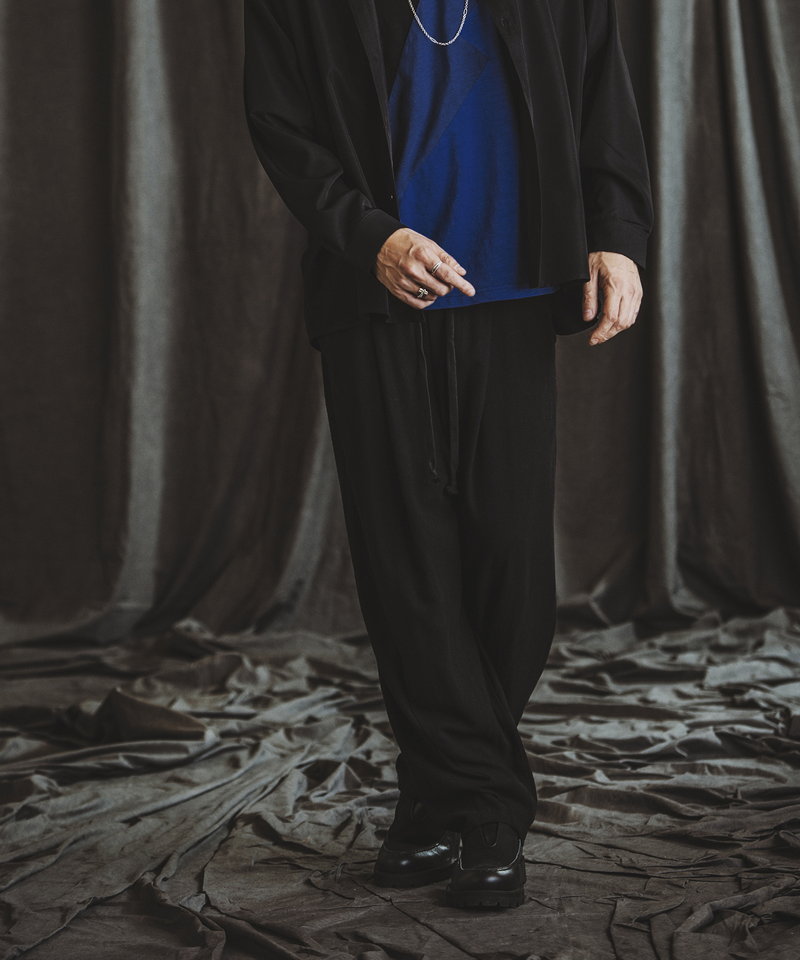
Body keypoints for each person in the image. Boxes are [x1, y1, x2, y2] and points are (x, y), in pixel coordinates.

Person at [243, 0, 653, 910]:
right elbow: (280, 124)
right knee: (405, 566)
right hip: (375, 294)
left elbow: (603, 97)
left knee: (511, 564)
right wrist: (372, 237)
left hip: (516, 288)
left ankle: (434, 795)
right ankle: (490, 814)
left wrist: (617, 235)